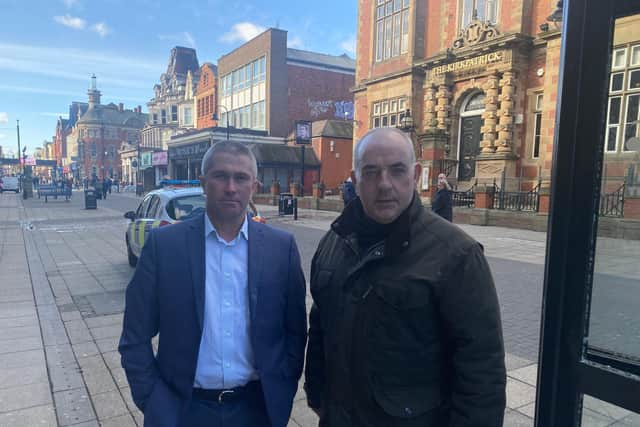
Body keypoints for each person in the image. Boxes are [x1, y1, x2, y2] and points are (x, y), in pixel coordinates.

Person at [304, 127, 506, 427]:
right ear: (355, 178)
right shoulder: (334, 241)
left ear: (415, 175)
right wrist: (317, 394)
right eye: (371, 172)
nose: (384, 184)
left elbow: (481, 368)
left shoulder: (456, 254)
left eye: (397, 171)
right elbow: (321, 325)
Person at [119, 141, 307, 427]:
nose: (231, 187)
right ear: (204, 182)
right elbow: (135, 336)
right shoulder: (165, 246)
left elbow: (295, 331)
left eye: (241, 178)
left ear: (254, 186)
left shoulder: (281, 248)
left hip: (257, 410)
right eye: (221, 176)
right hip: (184, 411)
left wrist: (282, 389)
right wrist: (153, 400)